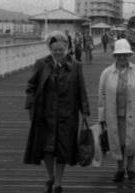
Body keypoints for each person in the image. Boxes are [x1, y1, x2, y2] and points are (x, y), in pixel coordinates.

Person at [23, 31, 90, 193]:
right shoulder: (41, 64)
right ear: (49, 49)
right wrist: (30, 105)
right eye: (54, 50)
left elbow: (81, 90)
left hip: (67, 115)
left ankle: (58, 183)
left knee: (62, 150)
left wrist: (85, 111)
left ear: (67, 48)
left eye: (61, 49)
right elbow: (30, 86)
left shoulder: (75, 66)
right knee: (47, 149)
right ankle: (49, 177)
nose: (58, 53)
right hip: (45, 115)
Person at [98, 39, 135, 183]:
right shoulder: (106, 73)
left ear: (129, 55)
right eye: (119, 55)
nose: (122, 57)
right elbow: (102, 96)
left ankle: (130, 167)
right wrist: (101, 118)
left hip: (133, 112)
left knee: (130, 142)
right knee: (118, 143)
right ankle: (120, 169)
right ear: (115, 56)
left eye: (125, 54)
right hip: (114, 114)